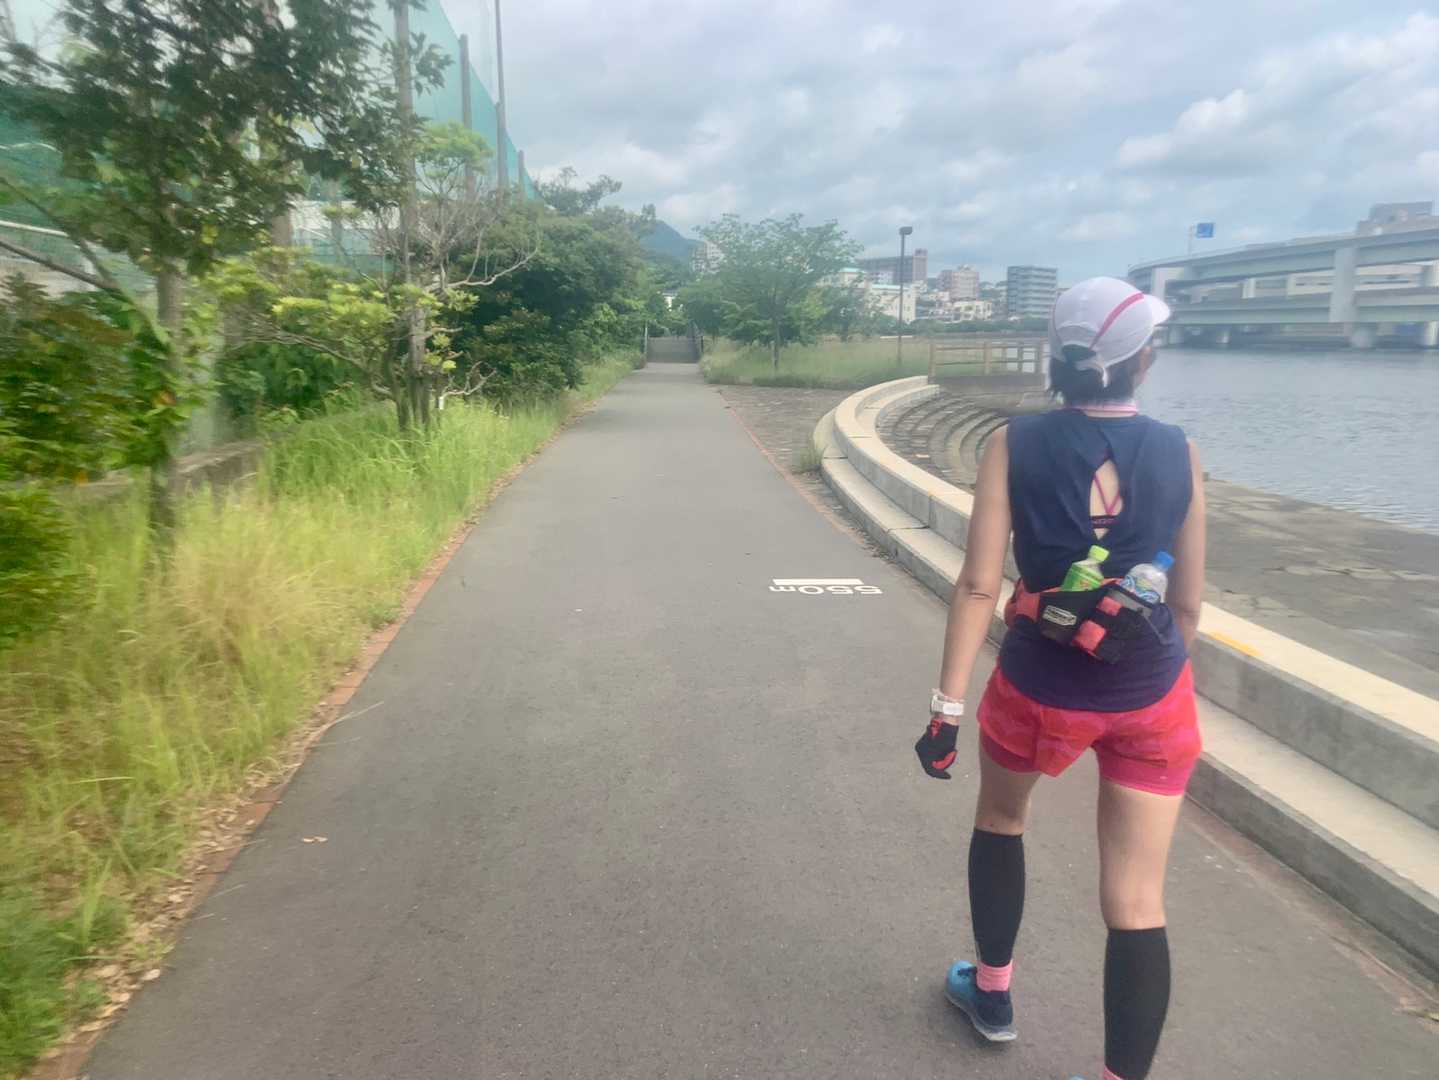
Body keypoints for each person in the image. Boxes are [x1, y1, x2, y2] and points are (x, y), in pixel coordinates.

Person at [913, 276, 1206, 1080]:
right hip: (1151, 693)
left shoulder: (1014, 443)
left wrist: (945, 710)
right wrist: (1148, 678)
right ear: (1141, 361)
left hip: (1037, 686)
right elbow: (1186, 606)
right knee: (1136, 899)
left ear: (1059, 359)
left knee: (1001, 820)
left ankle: (991, 993)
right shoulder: (1180, 451)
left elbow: (979, 585)